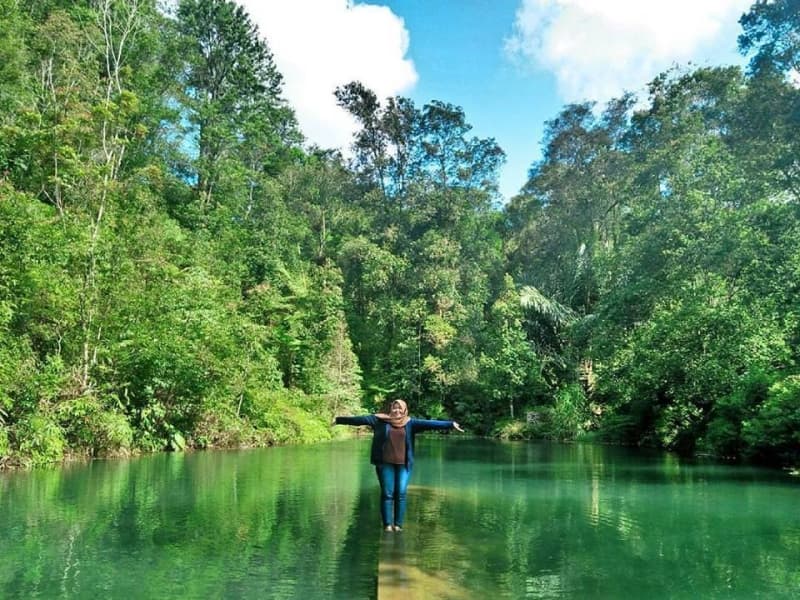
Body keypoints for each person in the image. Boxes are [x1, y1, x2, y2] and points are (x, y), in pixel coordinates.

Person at [334, 399, 464, 532]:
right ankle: (387, 525)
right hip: (385, 463)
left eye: (399, 408)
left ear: (404, 410)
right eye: (394, 408)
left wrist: (450, 424)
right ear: (390, 409)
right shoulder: (379, 420)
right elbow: (358, 420)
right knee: (387, 493)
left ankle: (398, 525)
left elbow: (431, 423)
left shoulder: (411, 423)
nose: (397, 411)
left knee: (400, 493)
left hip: (404, 464)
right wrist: (338, 420)